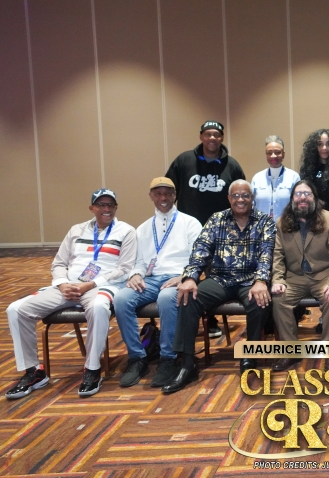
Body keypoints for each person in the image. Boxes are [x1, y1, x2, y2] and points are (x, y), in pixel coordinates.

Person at [5, 189, 136, 399]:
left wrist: (91, 284)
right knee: (16, 309)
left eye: (110, 205)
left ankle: (92, 369)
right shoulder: (76, 230)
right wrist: (61, 284)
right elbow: (59, 263)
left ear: (116, 208)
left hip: (101, 286)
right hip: (68, 287)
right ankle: (33, 371)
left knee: (98, 307)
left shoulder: (126, 231)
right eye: (101, 205)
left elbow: (125, 268)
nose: (106, 209)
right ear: (92, 208)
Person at [162, 180, 275, 394]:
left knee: (259, 302)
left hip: (249, 280)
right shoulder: (217, 219)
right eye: (236, 195)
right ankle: (187, 363)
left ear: (252, 198)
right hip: (220, 279)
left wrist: (261, 280)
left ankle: (250, 357)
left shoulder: (264, 222)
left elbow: (267, 254)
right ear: (229, 198)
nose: (240, 200)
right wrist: (191, 277)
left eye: (245, 195)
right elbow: (201, 249)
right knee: (189, 297)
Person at [113, 178, 202, 388]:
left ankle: (168, 358)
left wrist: (186, 276)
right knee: (121, 299)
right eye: (158, 193)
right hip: (151, 279)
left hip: (178, 277)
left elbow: (198, 256)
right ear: (151, 196)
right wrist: (136, 274)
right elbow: (139, 261)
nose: (163, 197)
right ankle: (137, 357)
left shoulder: (190, 223)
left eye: (168, 193)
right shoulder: (143, 228)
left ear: (174, 196)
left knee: (166, 298)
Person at [165, 120, 246, 338]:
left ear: (222, 138)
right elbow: (169, 191)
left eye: (216, 134)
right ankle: (182, 321)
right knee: (187, 274)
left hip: (221, 234)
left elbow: (241, 199)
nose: (212, 138)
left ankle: (210, 320)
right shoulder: (184, 161)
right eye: (208, 134)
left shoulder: (232, 165)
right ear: (201, 136)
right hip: (186, 232)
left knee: (214, 278)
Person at [270, 180, 329, 372]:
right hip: (294, 277)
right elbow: (278, 255)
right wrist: (278, 279)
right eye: (298, 194)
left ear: (315, 198)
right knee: (279, 298)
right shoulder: (282, 222)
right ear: (292, 199)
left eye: (307, 194)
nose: (302, 198)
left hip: (323, 276)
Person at [251, 135, 301, 219]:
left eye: (277, 152)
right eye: (269, 153)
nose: (273, 156)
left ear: (283, 154)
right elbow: (251, 205)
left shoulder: (294, 177)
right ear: (266, 155)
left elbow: (298, 205)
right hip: (261, 226)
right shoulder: (257, 178)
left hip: (286, 225)